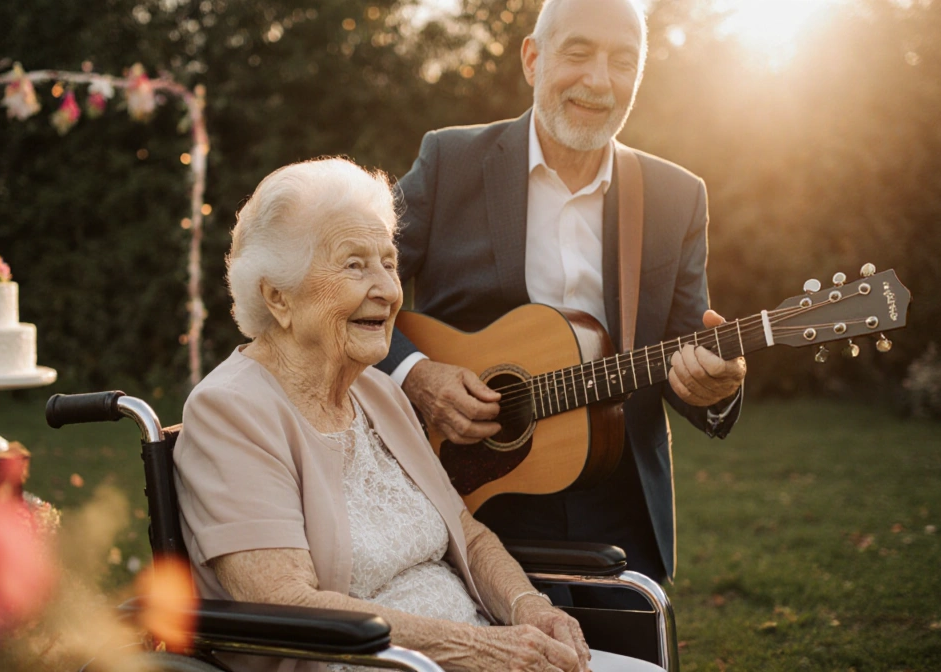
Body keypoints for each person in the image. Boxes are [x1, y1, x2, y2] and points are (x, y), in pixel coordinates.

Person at [174, 158, 664, 672]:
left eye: (388, 262)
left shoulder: (379, 393)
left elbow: (468, 535)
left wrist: (529, 608)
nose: (387, 289)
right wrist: (481, 650)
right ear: (278, 297)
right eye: (354, 265)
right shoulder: (230, 412)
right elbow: (284, 602)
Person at [378, 0, 747, 584]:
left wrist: (715, 389)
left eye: (622, 62)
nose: (599, 81)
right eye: (578, 53)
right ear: (532, 58)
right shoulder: (450, 161)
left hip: (616, 502)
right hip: (458, 486)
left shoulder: (678, 197)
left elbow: (684, 357)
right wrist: (416, 374)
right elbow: (351, 287)